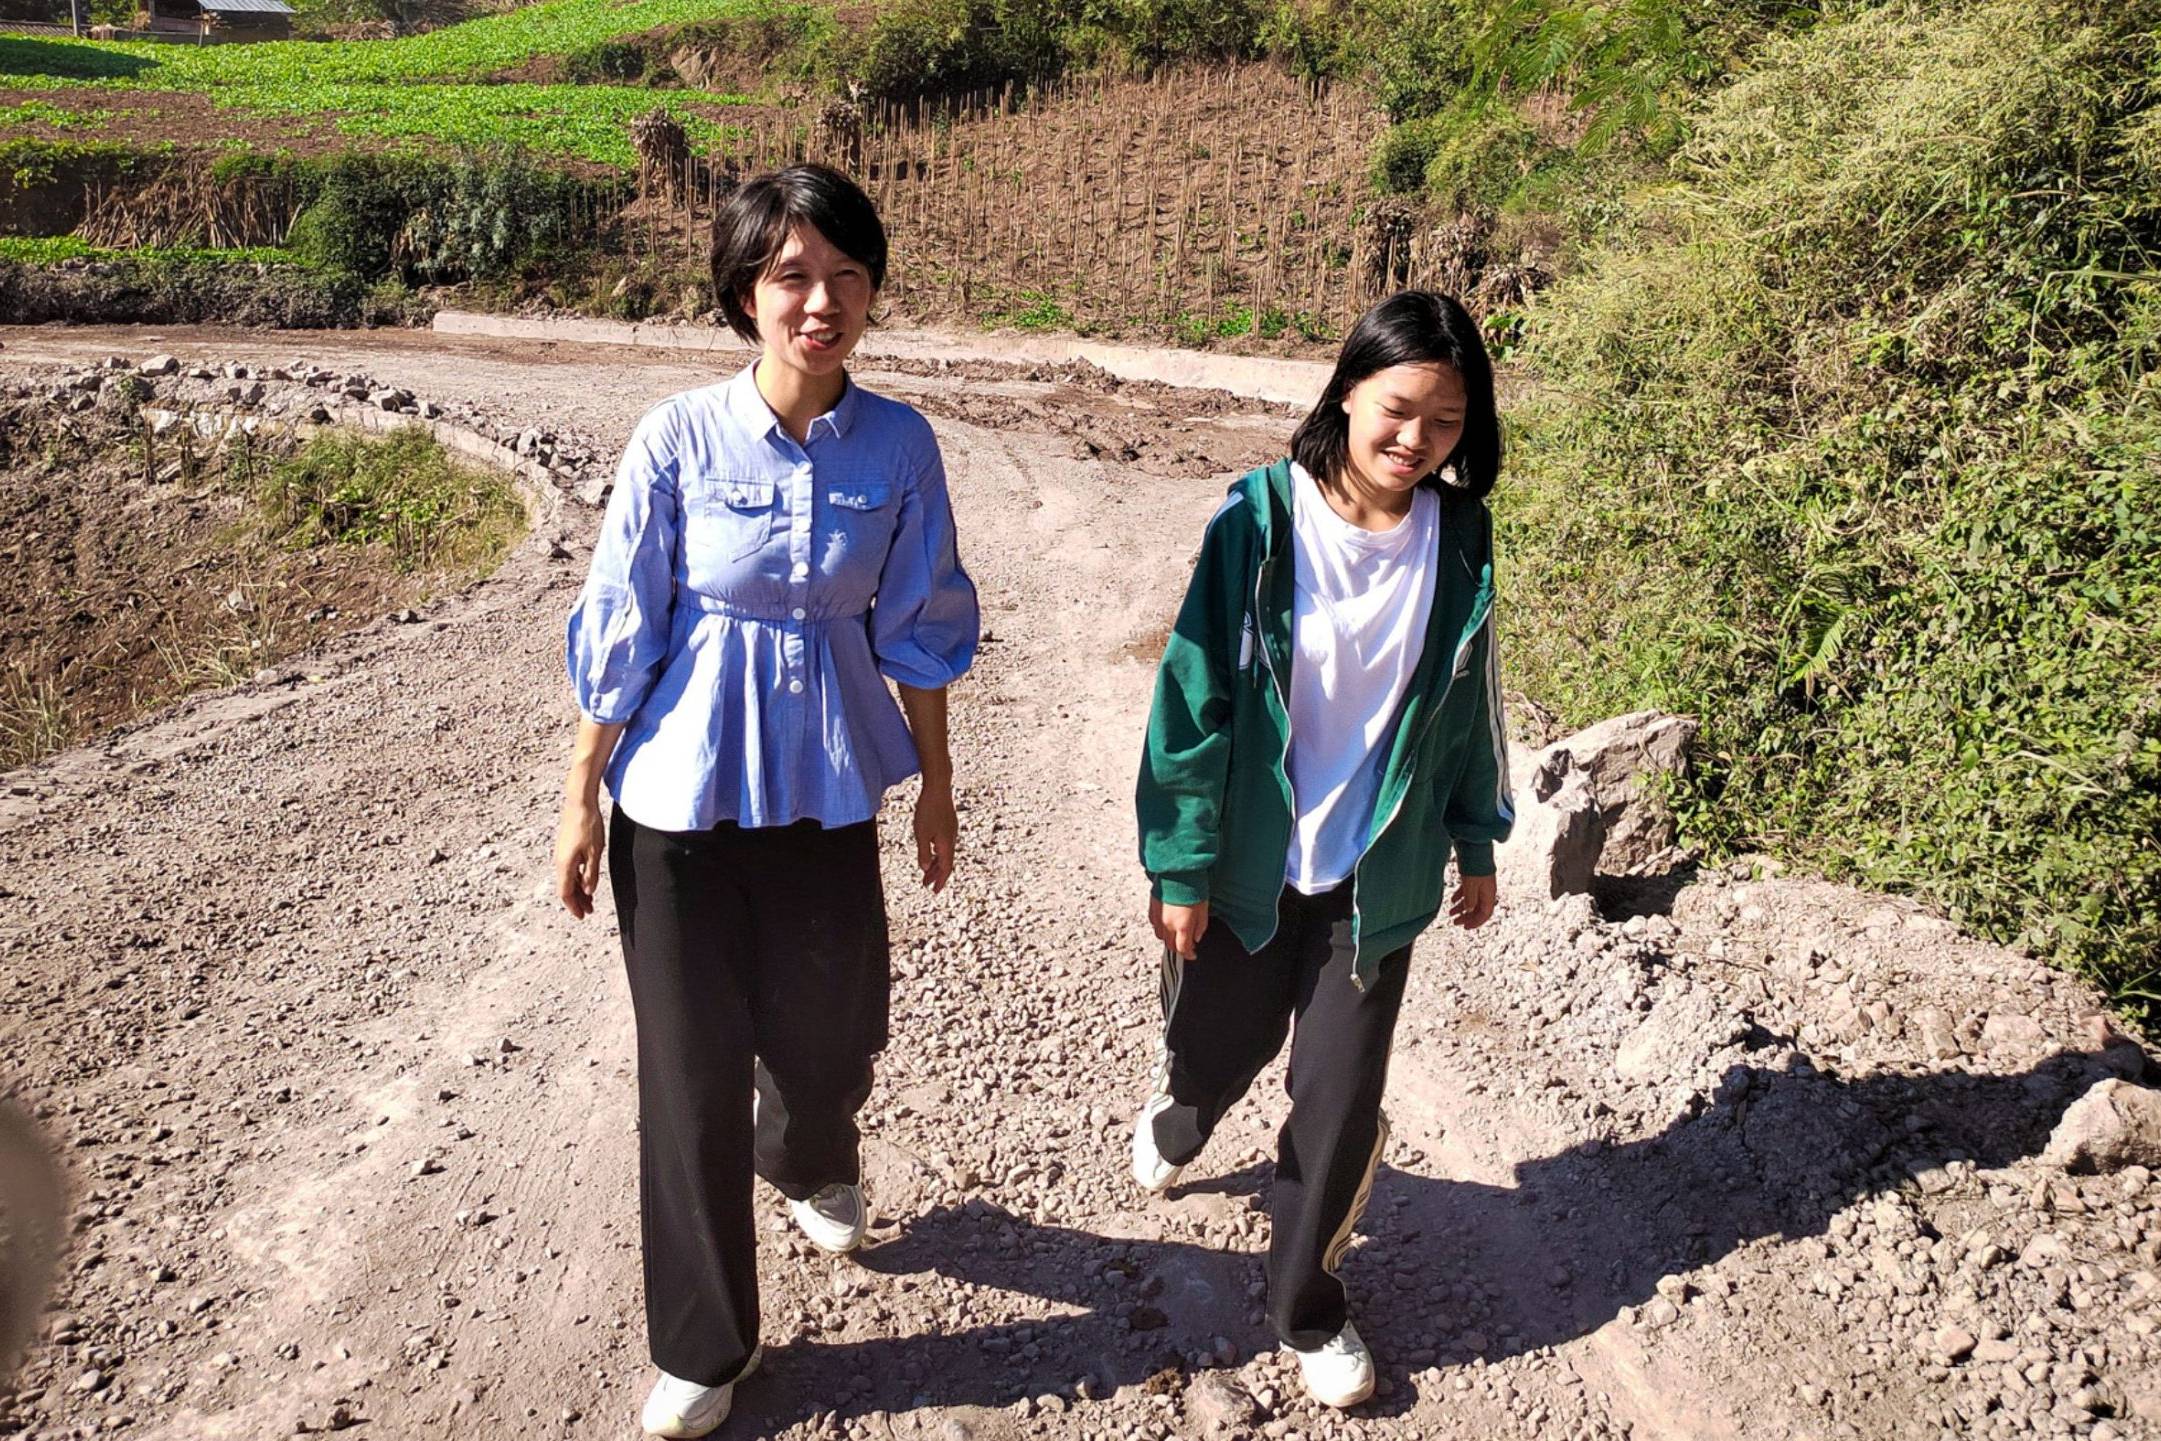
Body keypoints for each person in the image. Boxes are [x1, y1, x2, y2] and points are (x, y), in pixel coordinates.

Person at [553, 164, 978, 1440]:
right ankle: (704, 1343)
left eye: (846, 277)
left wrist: (937, 783)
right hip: (677, 800)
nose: (821, 302)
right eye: (792, 276)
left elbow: (919, 622)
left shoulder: (900, 445)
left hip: (830, 783)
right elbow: (625, 624)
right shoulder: (677, 436)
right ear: (746, 293)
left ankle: (807, 1151)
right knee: (687, 1073)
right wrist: (581, 793)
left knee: (835, 1023)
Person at [1131, 290, 1513, 1409]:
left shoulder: (1461, 538)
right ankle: (1183, 1105)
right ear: (1348, 389)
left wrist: (1475, 838)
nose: (1414, 442)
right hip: (1254, 862)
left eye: (1444, 424)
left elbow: (1463, 707)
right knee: (1219, 1042)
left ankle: (1308, 1304)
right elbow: (1191, 700)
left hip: (1372, 874)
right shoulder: (1259, 521)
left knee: (1339, 1101)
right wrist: (1182, 862)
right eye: (1397, 411)